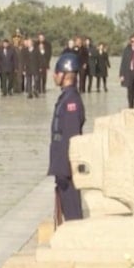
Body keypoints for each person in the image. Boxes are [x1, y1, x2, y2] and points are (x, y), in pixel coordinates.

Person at [47, 52, 85, 225]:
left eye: (57, 73)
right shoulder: (65, 97)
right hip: (61, 163)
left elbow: (71, 136)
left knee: (72, 213)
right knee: (65, 207)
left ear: (65, 75)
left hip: (66, 165)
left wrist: (66, 166)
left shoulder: (71, 102)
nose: (54, 76)